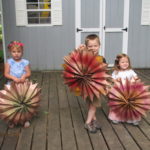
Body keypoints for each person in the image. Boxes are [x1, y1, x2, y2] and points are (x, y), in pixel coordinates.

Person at [78, 34, 106, 133]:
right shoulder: (84, 57)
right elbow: (78, 65)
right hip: (87, 86)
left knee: (91, 105)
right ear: (86, 47)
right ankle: (88, 122)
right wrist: (81, 51)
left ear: (99, 46)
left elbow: (104, 73)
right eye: (90, 46)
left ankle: (94, 120)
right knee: (93, 105)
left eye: (95, 46)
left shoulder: (101, 59)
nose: (93, 48)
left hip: (97, 87)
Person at [4, 41, 31, 128]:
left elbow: (28, 73)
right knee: (11, 103)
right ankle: (12, 119)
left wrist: (24, 76)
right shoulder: (9, 62)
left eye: (19, 52)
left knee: (24, 102)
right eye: (14, 52)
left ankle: (25, 119)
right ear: (10, 52)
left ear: (22, 52)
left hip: (22, 85)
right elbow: (6, 74)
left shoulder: (25, 62)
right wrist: (13, 78)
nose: (16, 54)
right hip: (12, 84)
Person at [108, 53, 140, 125]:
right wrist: (116, 82)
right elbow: (113, 79)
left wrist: (136, 81)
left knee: (130, 104)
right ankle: (117, 117)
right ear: (118, 64)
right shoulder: (116, 72)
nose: (125, 63)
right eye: (122, 62)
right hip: (120, 90)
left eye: (127, 62)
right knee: (119, 104)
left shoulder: (130, 71)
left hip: (129, 90)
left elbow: (136, 78)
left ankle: (131, 119)